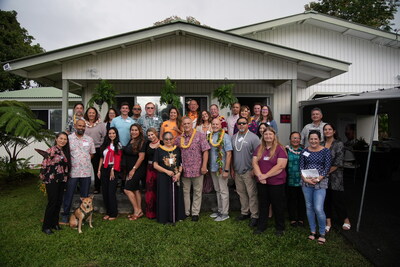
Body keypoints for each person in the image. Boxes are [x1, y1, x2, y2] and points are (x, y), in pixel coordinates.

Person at [252, 126, 288, 235]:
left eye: (270, 134)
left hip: (276, 183)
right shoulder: (259, 148)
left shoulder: (280, 149)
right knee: (263, 205)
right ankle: (261, 226)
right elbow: (254, 163)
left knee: (278, 205)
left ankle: (280, 227)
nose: (268, 136)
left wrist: (265, 176)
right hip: (262, 182)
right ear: (263, 136)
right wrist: (259, 175)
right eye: (266, 134)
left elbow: (281, 166)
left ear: (274, 136)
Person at [175, 117, 210, 221]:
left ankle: (195, 213)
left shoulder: (200, 136)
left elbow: (206, 151)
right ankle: (186, 212)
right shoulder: (178, 139)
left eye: (188, 123)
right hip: (184, 170)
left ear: (192, 124)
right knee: (185, 192)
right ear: (182, 125)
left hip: (197, 169)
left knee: (197, 192)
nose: (186, 125)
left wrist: (204, 166)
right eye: (184, 124)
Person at [61, 119, 96, 224]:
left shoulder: (89, 139)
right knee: (69, 194)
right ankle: (65, 214)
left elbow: (92, 153)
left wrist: (84, 160)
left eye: (83, 126)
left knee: (84, 197)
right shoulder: (69, 138)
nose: (81, 128)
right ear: (75, 126)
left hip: (86, 172)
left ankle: (83, 216)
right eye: (79, 126)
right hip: (73, 172)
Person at [300, 130, 331, 245]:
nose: (313, 141)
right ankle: (313, 231)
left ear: (319, 139)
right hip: (306, 182)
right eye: (311, 139)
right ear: (308, 140)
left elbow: (327, 167)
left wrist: (318, 179)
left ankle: (322, 232)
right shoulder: (304, 151)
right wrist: (305, 179)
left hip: (320, 182)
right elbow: (301, 166)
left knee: (318, 208)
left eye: (315, 139)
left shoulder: (325, 151)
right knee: (309, 207)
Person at [39, 132, 71, 235]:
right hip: (51, 180)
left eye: (65, 139)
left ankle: (55, 223)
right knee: (52, 202)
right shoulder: (51, 150)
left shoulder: (64, 151)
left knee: (58, 202)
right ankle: (46, 226)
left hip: (61, 179)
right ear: (56, 139)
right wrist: (43, 178)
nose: (63, 141)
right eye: (61, 138)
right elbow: (44, 165)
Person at [232, 116, 260, 227]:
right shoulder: (233, 137)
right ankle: (245, 212)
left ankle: (254, 215)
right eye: (239, 124)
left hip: (249, 171)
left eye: (244, 123)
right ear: (237, 125)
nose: (241, 125)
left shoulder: (254, 138)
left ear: (247, 124)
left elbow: (258, 154)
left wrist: (255, 169)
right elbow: (232, 154)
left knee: (252, 194)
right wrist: (232, 169)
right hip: (237, 171)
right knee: (241, 193)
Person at [322, 123, 351, 232]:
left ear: (334, 131)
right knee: (326, 199)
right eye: (325, 129)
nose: (327, 131)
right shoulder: (321, 143)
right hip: (322, 178)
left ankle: (346, 219)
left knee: (337, 200)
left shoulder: (339, 144)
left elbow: (338, 163)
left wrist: (324, 173)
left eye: (330, 129)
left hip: (335, 177)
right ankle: (328, 222)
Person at [153, 132, 185, 224]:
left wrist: (178, 173)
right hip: (163, 177)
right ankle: (164, 217)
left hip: (175, 176)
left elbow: (181, 163)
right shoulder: (159, 150)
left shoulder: (177, 149)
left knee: (175, 196)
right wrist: (166, 171)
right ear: (163, 139)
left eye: (170, 139)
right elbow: (155, 165)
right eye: (166, 139)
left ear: (173, 139)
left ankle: (177, 216)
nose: (168, 141)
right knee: (164, 197)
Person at [208, 118, 232, 222]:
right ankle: (220, 210)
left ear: (220, 125)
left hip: (222, 168)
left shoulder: (225, 136)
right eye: (213, 124)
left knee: (223, 191)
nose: (215, 126)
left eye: (217, 124)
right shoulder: (210, 136)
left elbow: (229, 153)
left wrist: (226, 170)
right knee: (217, 190)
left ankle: (225, 213)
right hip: (213, 168)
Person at [98, 127, 122, 221]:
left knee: (111, 191)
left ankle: (113, 213)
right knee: (105, 191)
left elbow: (118, 159)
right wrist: (99, 170)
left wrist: (113, 169)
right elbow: (101, 158)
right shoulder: (105, 145)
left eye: (113, 133)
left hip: (113, 168)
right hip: (104, 168)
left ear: (116, 134)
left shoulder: (118, 145)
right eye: (110, 133)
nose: (112, 135)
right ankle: (108, 212)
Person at [122, 124, 146, 220]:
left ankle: (137, 210)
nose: (134, 132)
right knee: (135, 189)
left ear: (139, 131)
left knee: (127, 189)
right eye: (132, 130)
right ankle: (139, 210)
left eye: (136, 130)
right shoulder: (131, 140)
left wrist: (133, 169)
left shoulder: (142, 141)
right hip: (131, 168)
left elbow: (141, 157)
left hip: (137, 169)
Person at [84, 107, 107, 194]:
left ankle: (97, 187)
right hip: (85, 149)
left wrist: (101, 145)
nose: (91, 114)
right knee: (85, 168)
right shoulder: (84, 123)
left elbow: (105, 136)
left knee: (97, 168)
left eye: (93, 113)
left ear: (96, 114)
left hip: (97, 148)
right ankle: (84, 186)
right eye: (90, 113)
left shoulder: (101, 124)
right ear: (87, 114)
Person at [286, 132, 305, 227]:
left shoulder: (305, 150)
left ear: (300, 140)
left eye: (297, 138)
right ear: (290, 139)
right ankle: (293, 218)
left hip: (302, 180)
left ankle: (301, 218)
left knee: (302, 199)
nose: (295, 140)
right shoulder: (286, 150)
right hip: (290, 179)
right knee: (291, 199)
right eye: (293, 138)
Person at [144, 128, 161, 219]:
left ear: (156, 133)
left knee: (160, 189)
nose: (151, 137)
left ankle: (160, 211)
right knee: (151, 190)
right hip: (150, 169)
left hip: (160, 169)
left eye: (152, 134)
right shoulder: (147, 144)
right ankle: (151, 213)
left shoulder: (162, 143)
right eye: (149, 135)